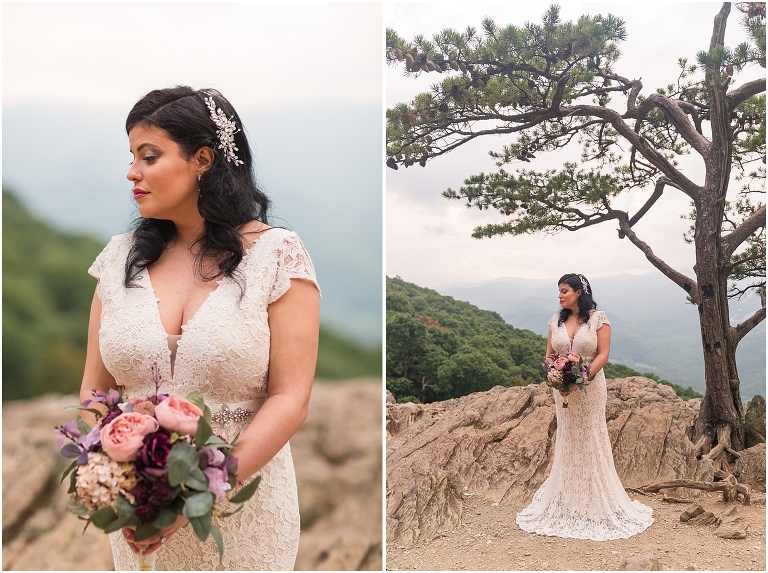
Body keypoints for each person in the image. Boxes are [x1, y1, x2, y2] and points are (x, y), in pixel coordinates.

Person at [80, 86, 320, 570]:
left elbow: (290, 399)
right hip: (141, 510)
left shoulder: (277, 256)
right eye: (132, 157)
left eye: (149, 157)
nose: (132, 172)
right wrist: (124, 484)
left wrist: (198, 493)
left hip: (245, 513)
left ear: (203, 160)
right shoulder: (118, 260)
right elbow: (94, 392)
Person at [516, 273, 653, 540]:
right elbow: (549, 355)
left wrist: (582, 378)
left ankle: (594, 500)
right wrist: (556, 376)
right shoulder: (556, 321)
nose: (559, 295)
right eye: (559, 291)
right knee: (568, 437)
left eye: (564, 290)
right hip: (563, 391)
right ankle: (570, 497)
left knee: (590, 436)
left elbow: (603, 354)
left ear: (579, 292)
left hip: (590, 388)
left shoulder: (599, 319)